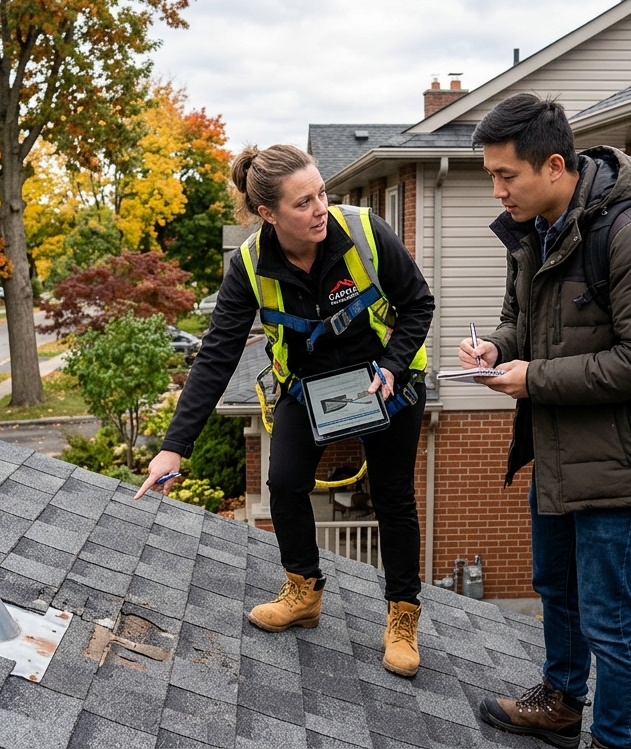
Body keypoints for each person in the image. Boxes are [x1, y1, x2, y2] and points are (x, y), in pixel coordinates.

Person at [136, 144, 435, 677]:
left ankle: (402, 615)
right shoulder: (250, 265)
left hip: (387, 383)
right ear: (268, 215)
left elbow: (418, 303)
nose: (320, 208)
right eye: (303, 203)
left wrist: (391, 366)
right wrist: (172, 448)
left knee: (393, 498)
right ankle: (303, 592)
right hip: (310, 388)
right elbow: (216, 356)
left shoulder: (365, 233)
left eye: (322, 193)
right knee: (284, 482)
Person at [460, 94, 631, 749]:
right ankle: (561, 703)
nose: (498, 190)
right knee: (555, 590)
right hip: (558, 453)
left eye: (508, 176)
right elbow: (519, 323)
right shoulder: (532, 232)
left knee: (609, 620)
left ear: (554, 165)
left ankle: (615, 743)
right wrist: (498, 349)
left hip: (621, 463)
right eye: (492, 176)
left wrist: (533, 379)